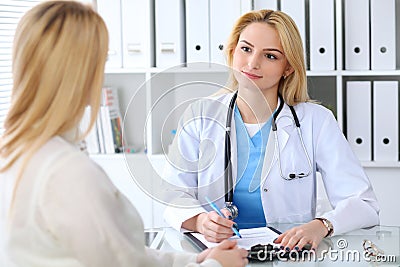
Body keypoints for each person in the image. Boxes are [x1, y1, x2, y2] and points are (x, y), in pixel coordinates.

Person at [0, 1, 249, 267]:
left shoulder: (16, 150)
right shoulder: (68, 172)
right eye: (101, 61)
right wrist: (217, 266)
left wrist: (195, 259)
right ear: (81, 71)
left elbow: (124, 256)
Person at [162, 9, 379, 251]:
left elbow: (363, 202)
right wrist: (201, 221)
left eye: (271, 56)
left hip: (286, 254)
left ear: (288, 67)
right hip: (219, 255)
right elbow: (174, 194)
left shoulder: (316, 121)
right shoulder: (200, 116)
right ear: (233, 51)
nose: (253, 63)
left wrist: (321, 225)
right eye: (246, 49)